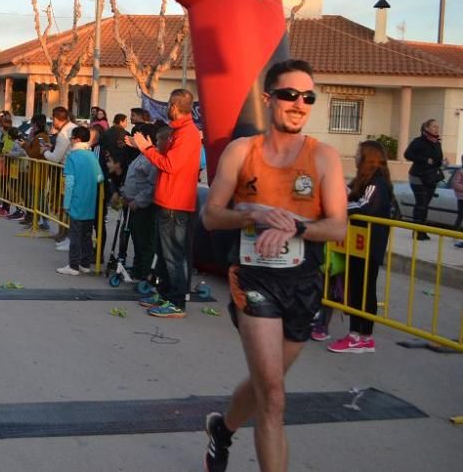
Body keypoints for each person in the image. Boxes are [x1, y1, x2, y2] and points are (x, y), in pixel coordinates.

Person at [200, 59, 347, 472]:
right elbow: (210, 216)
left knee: (268, 385)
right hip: (254, 278)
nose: (300, 103)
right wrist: (255, 216)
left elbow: (337, 226)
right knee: (275, 396)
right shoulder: (241, 152)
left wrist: (297, 227)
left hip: (302, 282)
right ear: (268, 99)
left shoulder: (324, 158)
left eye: (308, 97)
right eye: (289, 94)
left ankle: (222, 429)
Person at [132, 89, 202, 319]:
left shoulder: (187, 134)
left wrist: (147, 148)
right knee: (163, 253)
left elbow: (170, 165)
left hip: (176, 203)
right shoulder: (178, 132)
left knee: (173, 255)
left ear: (173, 106)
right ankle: (163, 294)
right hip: (168, 200)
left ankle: (177, 301)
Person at [320, 140, 393, 353]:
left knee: (365, 289)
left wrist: (340, 207)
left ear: (368, 156)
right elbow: (348, 196)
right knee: (355, 289)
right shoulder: (362, 181)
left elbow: (365, 207)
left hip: (369, 245)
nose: (355, 156)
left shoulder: (377, 182)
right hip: (355, 244)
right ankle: (356, 335)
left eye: (358, 152)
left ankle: (362, 336)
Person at [56, 126, 104, 276]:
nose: (70, 140)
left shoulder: (73, 156)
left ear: (76, 139)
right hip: (90, 201)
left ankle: (73, 266)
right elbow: (99, 177)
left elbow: (69, 182)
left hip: (77, 200)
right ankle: (85, 263)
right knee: (87, 235)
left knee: (75, 234)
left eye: (71, 138)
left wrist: (66, 203)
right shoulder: (91, 156)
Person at [121, 124, 162, 279]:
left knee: (145, 241)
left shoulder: (152, 158)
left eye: (137, 137)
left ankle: (145, 274)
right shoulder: (140, 155)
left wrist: (138, 201)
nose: (133, 140)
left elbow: (152, 186)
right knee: (137, 239)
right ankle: (138, 270)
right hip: (132, 205)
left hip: (143, 206)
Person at [404, 119, 445, 240]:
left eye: (438, 127)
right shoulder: (418, 141)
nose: (437, 129)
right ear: (426, 128)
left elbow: (437, 159)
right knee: (421, 203)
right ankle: (417, 232)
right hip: (417, 176)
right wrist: (424, 159)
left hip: (431, 177)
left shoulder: (437, 143)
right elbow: (407, 155)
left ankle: (422, 231)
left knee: (425, 205)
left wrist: (442, 162)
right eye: (434, 126)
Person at [44, 106, 76, 251]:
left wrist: (45, 152)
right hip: (71, 171)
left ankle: (68, 236)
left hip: (67, 172)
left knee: (67, 204)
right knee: (67, 204)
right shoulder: (72, 128)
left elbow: (56, 158)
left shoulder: (64, 133)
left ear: (56, 119)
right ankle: (64, 234)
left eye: (53, 119)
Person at [453, 160, 463, 248]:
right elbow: (456, 184)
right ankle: (455, 233)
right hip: (461, 198)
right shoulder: (460, 171)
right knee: (460, 215)